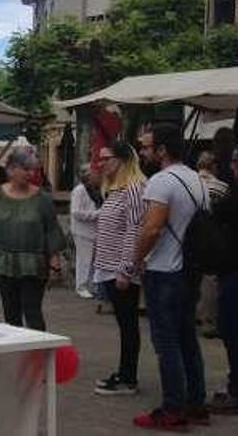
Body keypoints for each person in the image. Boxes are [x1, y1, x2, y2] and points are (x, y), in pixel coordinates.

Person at [133, 123, 209, 430]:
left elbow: (152, 228)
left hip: (165, 271)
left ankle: (173, 409)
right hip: (190, 270)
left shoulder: (161, 181)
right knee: (187, 339)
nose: (143, 152)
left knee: (167, 344)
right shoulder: (196, 179)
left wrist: (135, 259)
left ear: (162, 150)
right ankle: (196, 403)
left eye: (148, 147)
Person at [0, 148, 64, 332]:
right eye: (25, 169)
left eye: (32, 169)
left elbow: (52, 231)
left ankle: (39, 355)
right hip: (3, 263)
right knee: (10, 313)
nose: (30, 173)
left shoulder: (43, 199)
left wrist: (55, 264)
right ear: (10, 169)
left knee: (32, 311)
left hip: (33, 265)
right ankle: (15, 355)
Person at [92, 142, 146, 396]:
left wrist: (126, 269)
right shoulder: (114, 190)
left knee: (128, 324)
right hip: (108, 267)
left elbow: (135, 230)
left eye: (106, 158)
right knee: (123, 323)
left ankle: (128, 377)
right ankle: (124, 372)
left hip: (121, 269)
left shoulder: (134, 189)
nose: (101, 163)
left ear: (122, 160)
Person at [208, 142, 238, 414]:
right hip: (233, 271)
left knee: (234, 332)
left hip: (236, 273)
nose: (233, 168)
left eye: (235, 162)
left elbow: (217, 215)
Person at [196, 151, 228, 339]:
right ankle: (207, 320)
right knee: (209, 279)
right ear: (214, 166)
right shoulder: (221, 187)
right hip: (212, 237)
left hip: (189, 236)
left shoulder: (190, 183)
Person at [70, 164, 102, 298]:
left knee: (93, 261)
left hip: (94, 230)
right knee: (84, 260)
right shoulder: (79, 190)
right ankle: (81, 286)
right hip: (82, 230)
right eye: (94, 173)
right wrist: (96, 214)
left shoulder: (95, 190)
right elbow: (76, 212)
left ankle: (91, 285)